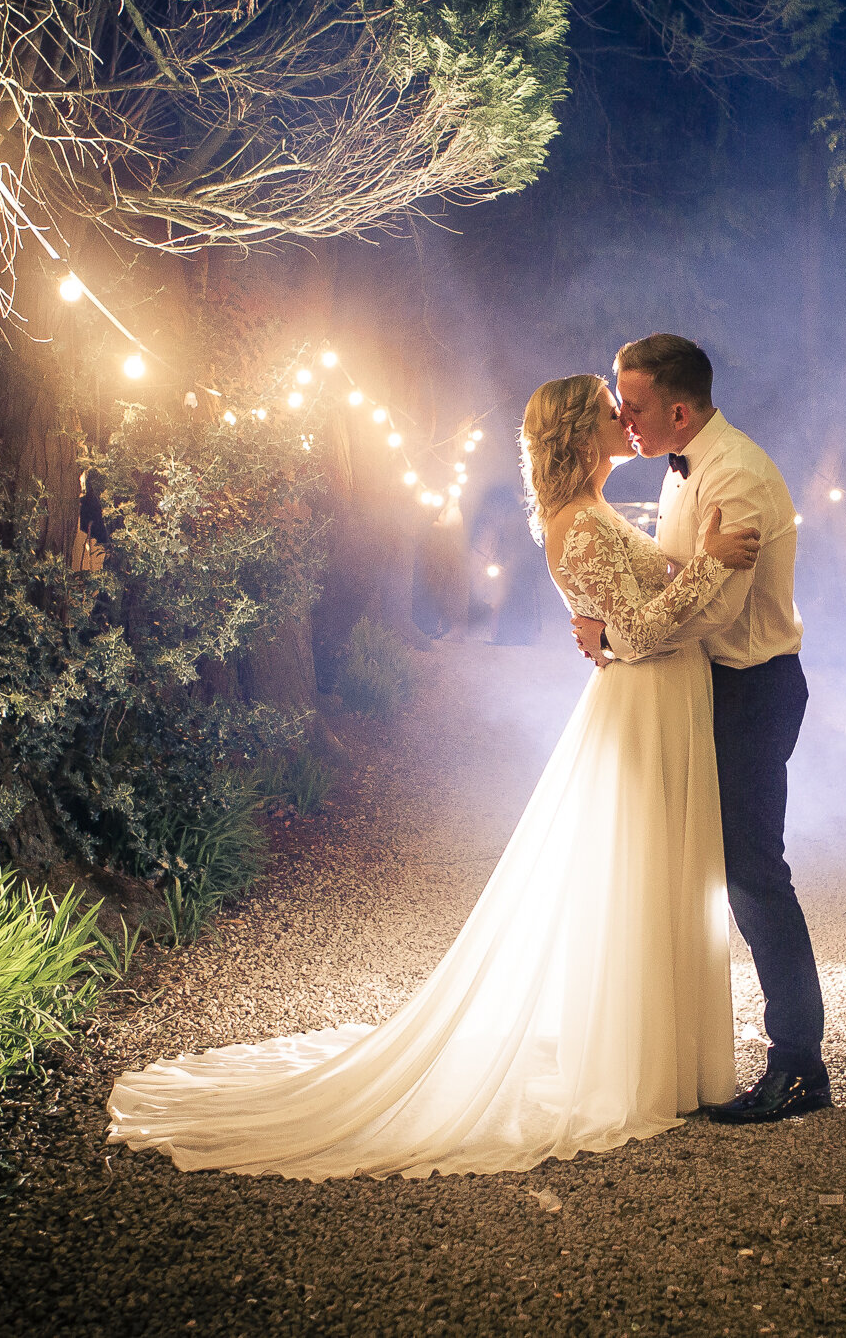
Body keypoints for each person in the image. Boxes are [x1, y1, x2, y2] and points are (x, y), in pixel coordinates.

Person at [105, 374, 762, 1179]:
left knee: (661, 869)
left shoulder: (590, 515)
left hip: (658, 698)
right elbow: (644, 628)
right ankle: (656, 1063)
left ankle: (668, 1054)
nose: (625, 421)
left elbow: (624, 615)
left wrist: (651, 590)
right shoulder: (580, 525)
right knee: (651, 869)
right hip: (648, 699)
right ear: (579, 434)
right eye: (608, 412)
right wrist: (709, 564)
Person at [573, 333, 830, 1125]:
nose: (625, 418)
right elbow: (674, 573)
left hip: (750, 688)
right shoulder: (684, 470)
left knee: (753, 872)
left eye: (636, 405)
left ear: (678, 410)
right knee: (695, 867)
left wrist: (618, 637)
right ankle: (683, 1046)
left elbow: (712, 605)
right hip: (706, 686)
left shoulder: (739, 475)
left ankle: (798, 1063)